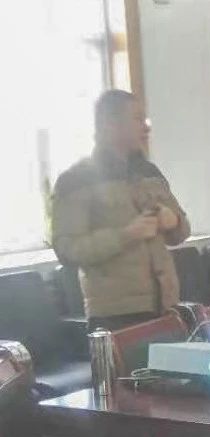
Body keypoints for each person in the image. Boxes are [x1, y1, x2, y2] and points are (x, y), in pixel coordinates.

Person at [52, 90, 190, 331]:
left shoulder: (149, 172)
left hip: (165, 305)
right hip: (115, 314)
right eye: (137, 119)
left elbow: (183, 230)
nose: (146, 127)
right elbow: (67, 250)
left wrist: (173, 221)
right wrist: (126, 235)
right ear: (110, 123)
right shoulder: (76, 179)